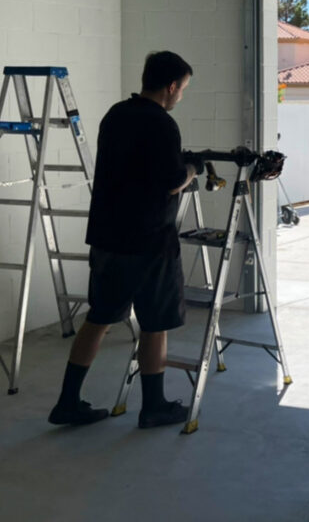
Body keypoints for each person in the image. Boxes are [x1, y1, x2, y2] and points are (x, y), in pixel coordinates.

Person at [49, 51, 201, 428]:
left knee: (98, 318)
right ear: (170, 86)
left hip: (107, 236)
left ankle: (67, 402)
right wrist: (193, 170)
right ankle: (154, 406)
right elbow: (170, 181)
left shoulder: (115, 115)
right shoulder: (163, 124)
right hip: (149, 241)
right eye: (182, 89)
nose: (181, 95)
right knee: (154, 323)